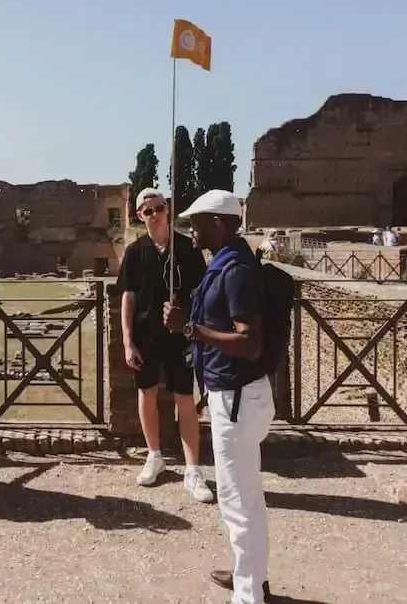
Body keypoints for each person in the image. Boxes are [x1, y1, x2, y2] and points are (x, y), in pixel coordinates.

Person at [164, 189, 273, 604]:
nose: (192, 227)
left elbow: (251, 342)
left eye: (199, 220)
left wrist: (190, 330)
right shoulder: (225, 264)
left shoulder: (236, 271)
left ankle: (249, 596)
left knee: (238, 499)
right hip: (232, 395)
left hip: (239, 398)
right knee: (240, 495)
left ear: (223, 223)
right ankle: (252, 576)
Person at [117, 188, 213, 502]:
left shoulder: (187, 247)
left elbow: (202, 293)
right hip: (146, 336)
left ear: (168, 209)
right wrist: (128, 340)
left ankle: (192, 469)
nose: (155, 214)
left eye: (159, 207)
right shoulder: (134, 252)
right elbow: (128, 297)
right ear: (139, 216)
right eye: (148, 210)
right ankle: (154, 456)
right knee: (147, 393)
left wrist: (192, 321)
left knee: (185, 399)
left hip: (181, 335)